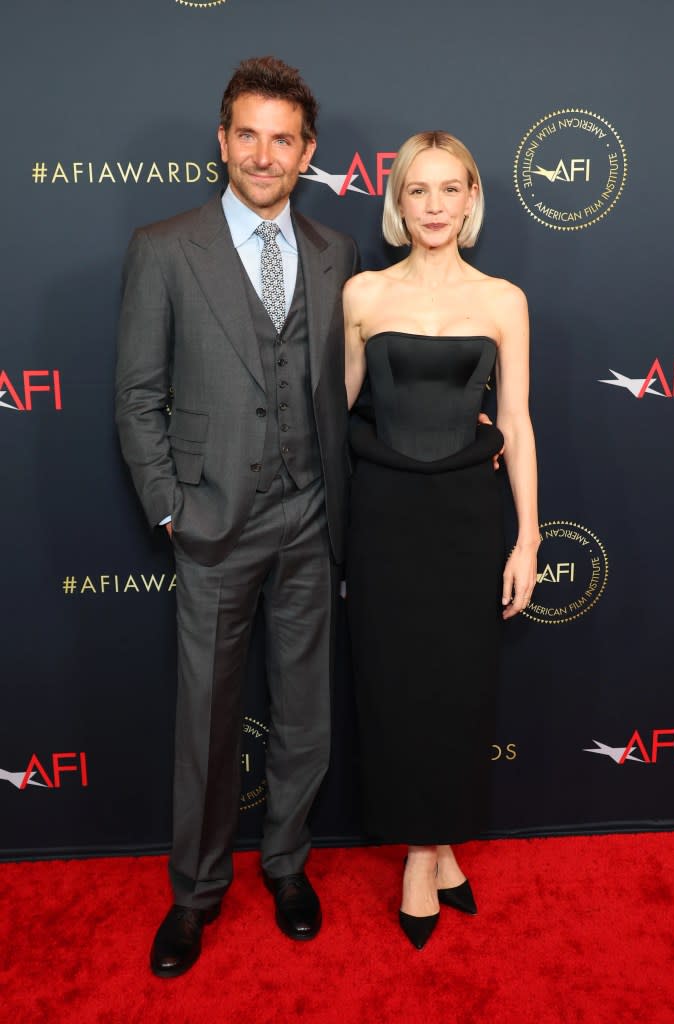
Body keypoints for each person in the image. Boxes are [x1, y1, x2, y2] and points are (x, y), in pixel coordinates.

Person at [115, 56, 358, 978]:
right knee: (207, 722)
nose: (264, 154)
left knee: (304, 713)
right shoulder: (164, 247)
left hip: (310, 518)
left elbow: (354, 384)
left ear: (307, 153)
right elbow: (136, 395)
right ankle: (196, 892)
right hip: (212, 524)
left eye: (282, 139)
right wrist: (169, 506)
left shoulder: (337, 253)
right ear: (222, 142)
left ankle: (288, 865)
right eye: (247, 135)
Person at [343, 131, 539, 949]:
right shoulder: (360, 294)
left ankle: (433, 846)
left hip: (465, 517)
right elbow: (337, 413)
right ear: (397, 202)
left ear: (470, 199)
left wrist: (526, 537)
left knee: (457, 688)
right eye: (416, 190)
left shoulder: (503, 300)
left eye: (448, 189)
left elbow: (519, 424)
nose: (432, 206)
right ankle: (426, 855)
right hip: (382, 517)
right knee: (394, 685)